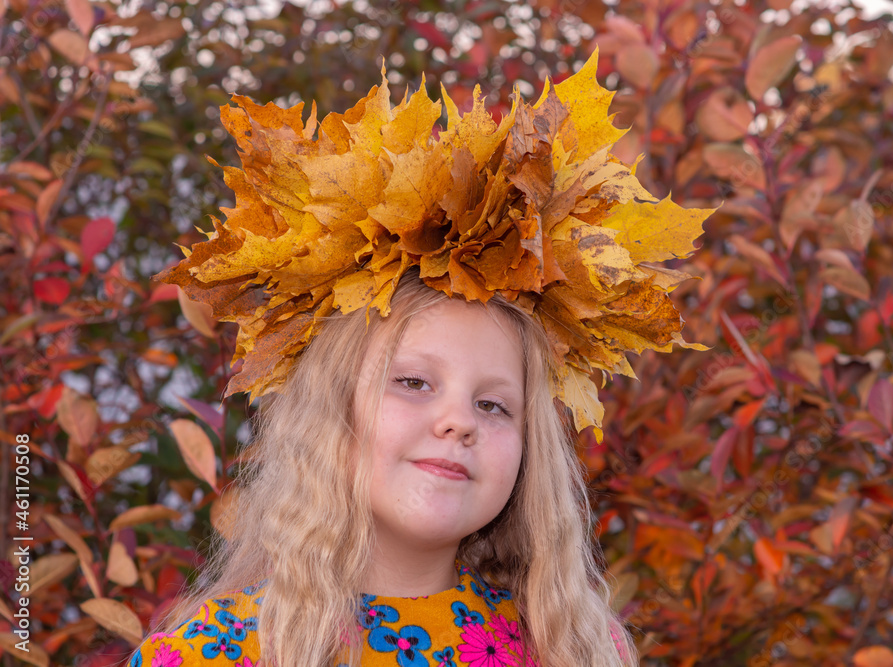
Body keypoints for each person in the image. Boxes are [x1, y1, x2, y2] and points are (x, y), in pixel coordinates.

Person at [129, 47, 711, 667]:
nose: (458, 420)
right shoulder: (218, 653)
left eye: (493, 404)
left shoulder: (569, 650)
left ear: (529, 450)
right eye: (411, 382)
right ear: (332, 410)